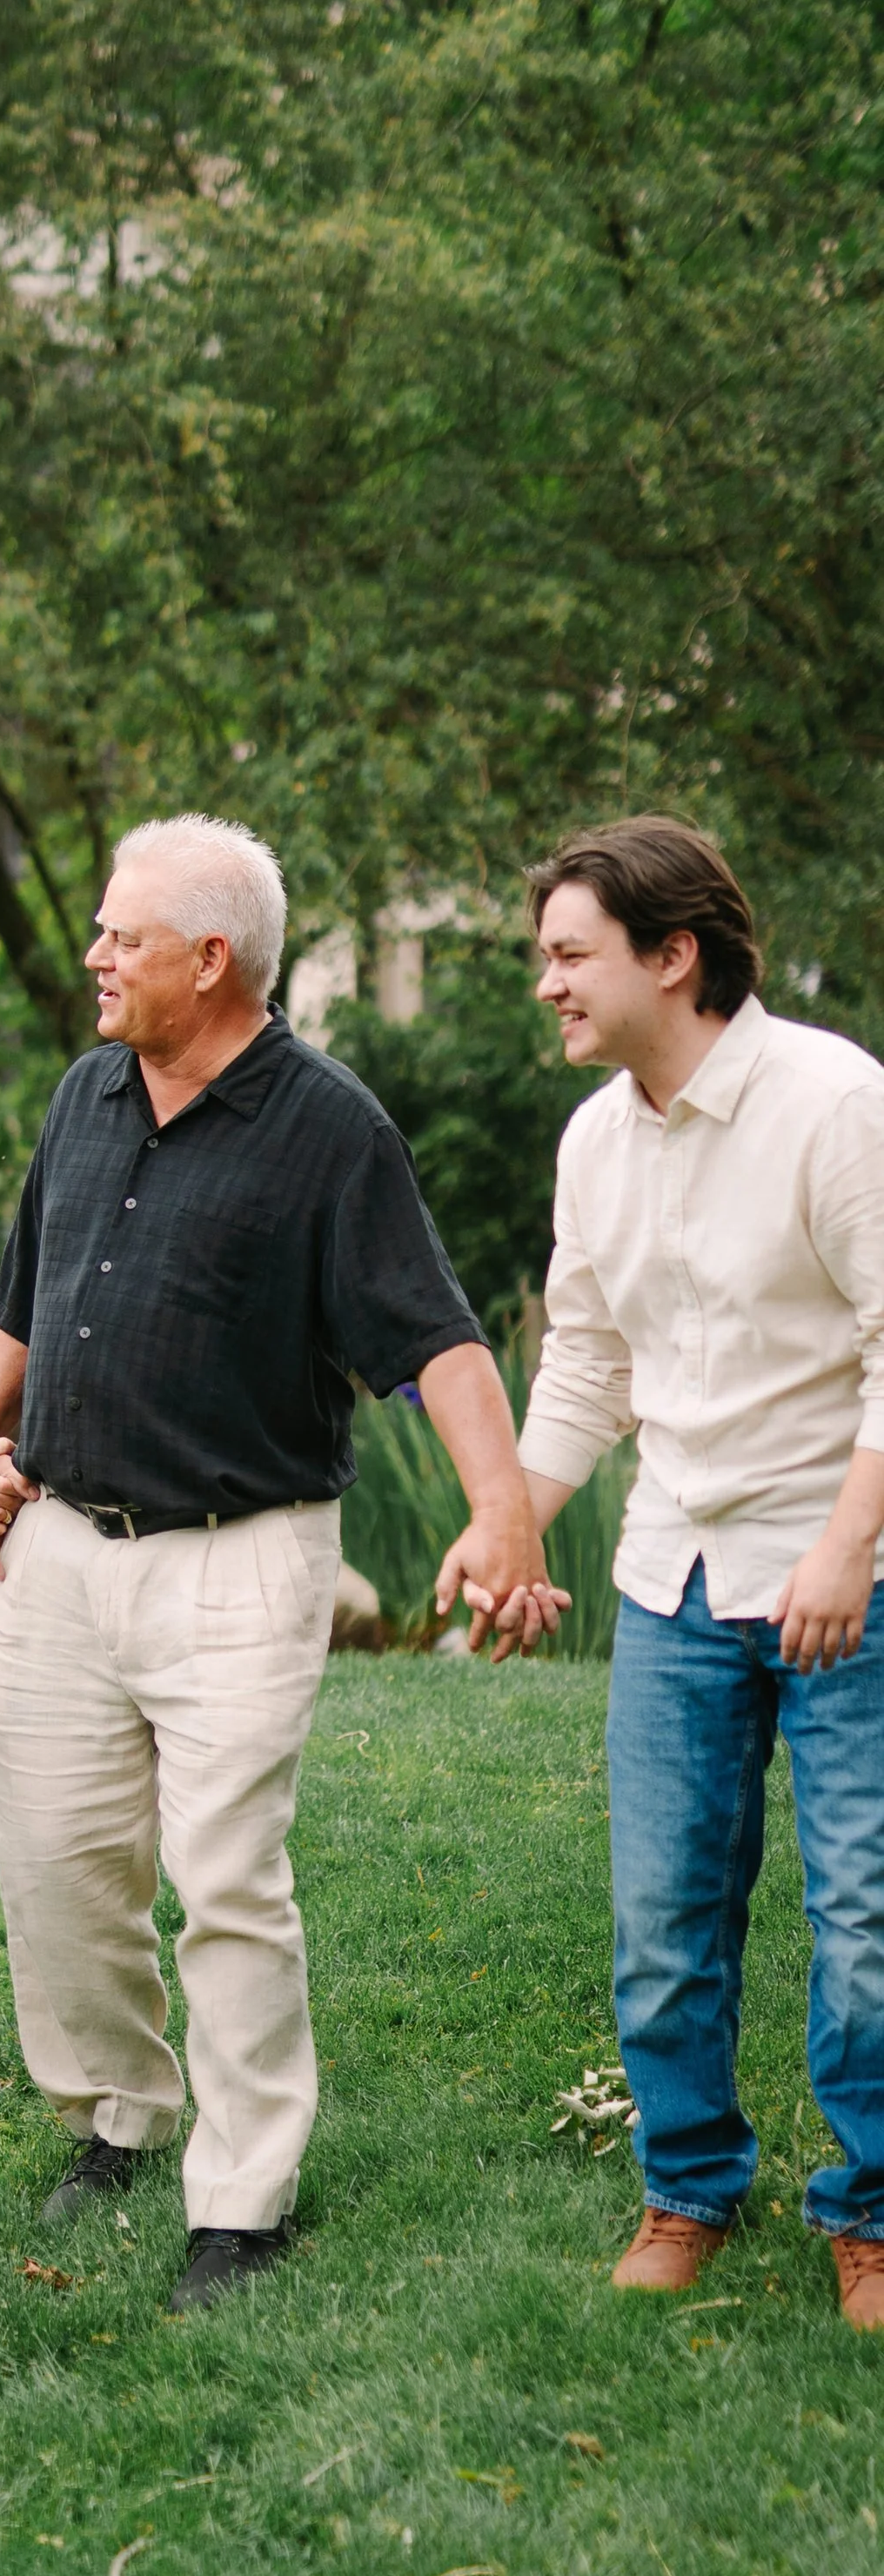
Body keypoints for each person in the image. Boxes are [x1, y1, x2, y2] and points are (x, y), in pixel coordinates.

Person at [0, 815, 560, 2311]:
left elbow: (438, 1340)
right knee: (58, 1867)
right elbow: (25, 1292)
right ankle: (118, 2108)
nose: (95, 956)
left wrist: (502, 1509)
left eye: (122, 936)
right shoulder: (87, 1093)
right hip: (62, 1553)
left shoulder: (328, 1127)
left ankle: (243, 2197)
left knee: (226, 1878)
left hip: (241, 1556)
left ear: (210, 960)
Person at [514, 818, 884, 2328]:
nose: (546, 983)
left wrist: (849, 1548)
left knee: (865, 1915)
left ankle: (869, 2213)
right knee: (665, 1914)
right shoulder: (595, 1137)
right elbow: (590, 1361)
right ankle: (688, 2190)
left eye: (568, 953)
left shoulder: (833, 1102)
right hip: (675, 1574)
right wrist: (514, 1516)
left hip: (845, 1566)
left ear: (672, 956)